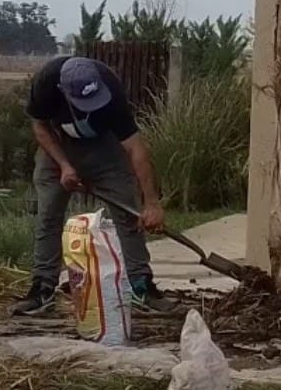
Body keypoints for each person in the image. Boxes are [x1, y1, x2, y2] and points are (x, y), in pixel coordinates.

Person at [11, 55, 178, 317]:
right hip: (57, 146)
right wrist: (65, 165)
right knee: (49, 215)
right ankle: (42, 288)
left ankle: (141, 286)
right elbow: (40, 128)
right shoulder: (46, 83)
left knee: (129, 214)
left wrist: (152, 202)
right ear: (62, 90)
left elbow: (135, 148)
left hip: (104, 149)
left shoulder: (111, 89)